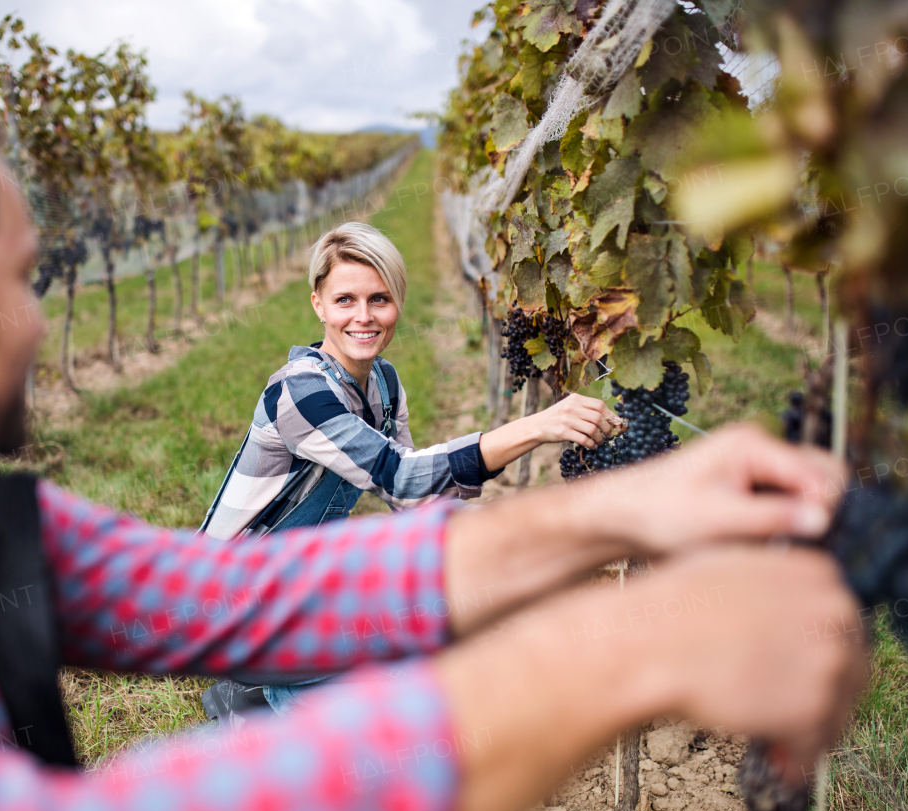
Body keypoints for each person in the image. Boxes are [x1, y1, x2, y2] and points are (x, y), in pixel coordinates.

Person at [0, 69, 865, 811]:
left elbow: (247, 590)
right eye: (21, 279)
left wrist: (621, 513)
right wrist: (627, 649)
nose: (40, 321)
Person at [198, 222, 621, 719]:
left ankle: (264, 690)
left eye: (379, 299)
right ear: (318, 305)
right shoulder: (301, 393)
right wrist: (536, 426)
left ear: (398, 302)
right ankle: (259, 711)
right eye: (344, 301)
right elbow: (399, 474)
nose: (363, 316)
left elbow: (416, 503)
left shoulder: (383, 382)